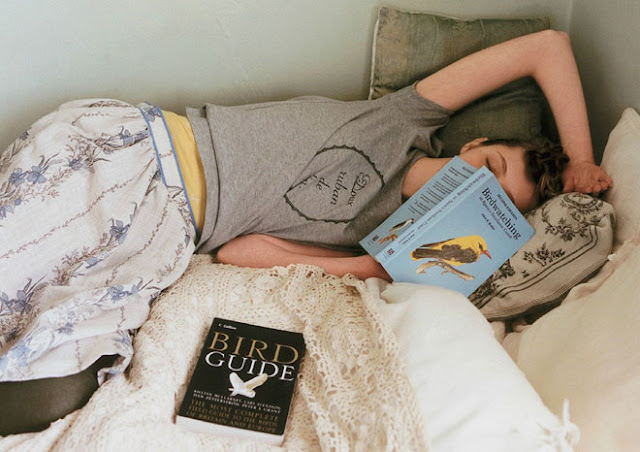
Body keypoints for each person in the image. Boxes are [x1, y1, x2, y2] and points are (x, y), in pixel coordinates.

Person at [0, 29, 611, 434]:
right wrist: (581, 161)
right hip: (141, 153)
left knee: (54, 370)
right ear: (472, 145)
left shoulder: (376, 240)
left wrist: (372, 267)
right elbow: (548, 47)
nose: (476, 186)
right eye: (488, 168)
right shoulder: (405, 118)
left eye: (492, 202)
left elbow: (238, 251)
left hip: (168, 231)